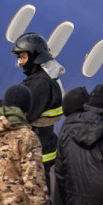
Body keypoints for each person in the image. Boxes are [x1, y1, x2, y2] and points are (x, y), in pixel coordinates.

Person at [11, 32, 63, 170]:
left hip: (35, 152)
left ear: (34, 57)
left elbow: (24, 114)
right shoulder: (44, 78)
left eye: (23, 57)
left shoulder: (41, 84)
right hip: (41, 148)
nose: (20, 62)